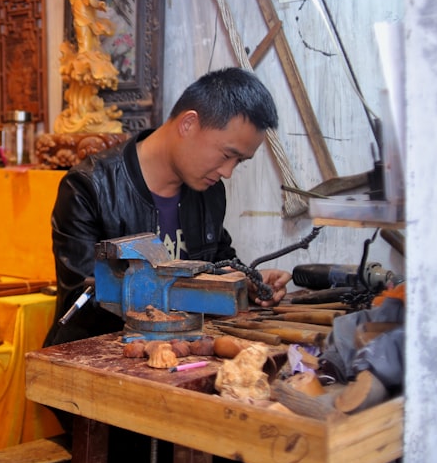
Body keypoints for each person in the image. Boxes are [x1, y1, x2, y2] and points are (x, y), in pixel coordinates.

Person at [45, 67, 293, 348]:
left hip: (178, 352)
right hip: (96, 357)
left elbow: (219, 259)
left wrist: (246, 282)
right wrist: (203, 288)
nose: (227, 172)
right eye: (227, 155)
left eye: (240, 162)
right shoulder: (89, 187)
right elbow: (86, 295)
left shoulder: (209, 191)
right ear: (188, 124)